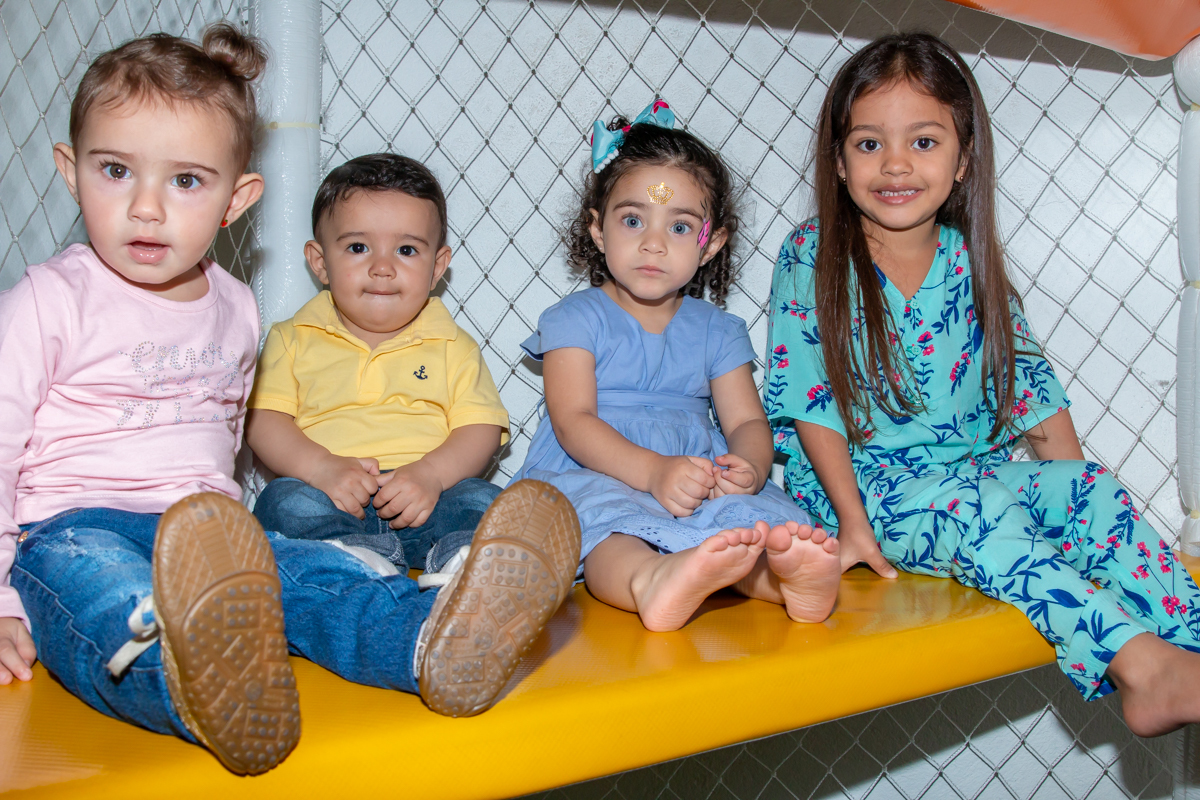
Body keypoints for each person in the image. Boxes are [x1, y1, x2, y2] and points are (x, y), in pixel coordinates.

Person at [0, 25, 580, 775]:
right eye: (116, 170)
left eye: (184, 181)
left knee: (317, 576)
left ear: (235, 199)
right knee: (115, 602)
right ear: (70, 171)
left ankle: (434, 645)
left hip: (207, 540)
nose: (147, 208)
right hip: (71, 528)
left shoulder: (236, 307)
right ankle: (200, 689)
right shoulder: (49, 299)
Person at [765, 31, 1200, 737]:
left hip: (975, 476)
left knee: (1093, 490)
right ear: (839, 163)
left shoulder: (971, 261)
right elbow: (810, 399)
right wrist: (851, 524)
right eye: (869, 143)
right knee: (978, 507)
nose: (896, 163)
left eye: (925, 142)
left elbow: (1032, 390)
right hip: (873, 493)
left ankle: (1191, 653)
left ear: (965, 159)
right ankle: (1143, 669)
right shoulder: (813, 254)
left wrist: (1072, 506)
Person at [512, 99, 841, 633]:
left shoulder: (718, 329)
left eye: (681, 227)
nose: (653, 242)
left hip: (696, 471)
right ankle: (651, 580)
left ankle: (779, 584)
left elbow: (745, 423)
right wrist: (651, 472)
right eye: (634, 219)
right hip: (595, 468)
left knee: (743, 527)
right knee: (606, 533)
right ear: (598, 230)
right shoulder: (572, 318)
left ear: (711, 244)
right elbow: (573, 422)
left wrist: (752, 467)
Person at [246, 154, 509, 577]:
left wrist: (431, 475)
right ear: (320, 262)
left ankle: (468, 566)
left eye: (406, 250)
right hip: (329, 497)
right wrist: (319, 466)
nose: (382, 268)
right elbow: (262, 421)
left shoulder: (452, 345)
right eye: (357, 247)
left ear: (438, 266)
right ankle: (350, 563)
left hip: (427, 500)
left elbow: (481, 429)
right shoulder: (291, 337)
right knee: (282, 502)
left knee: (481, 499)